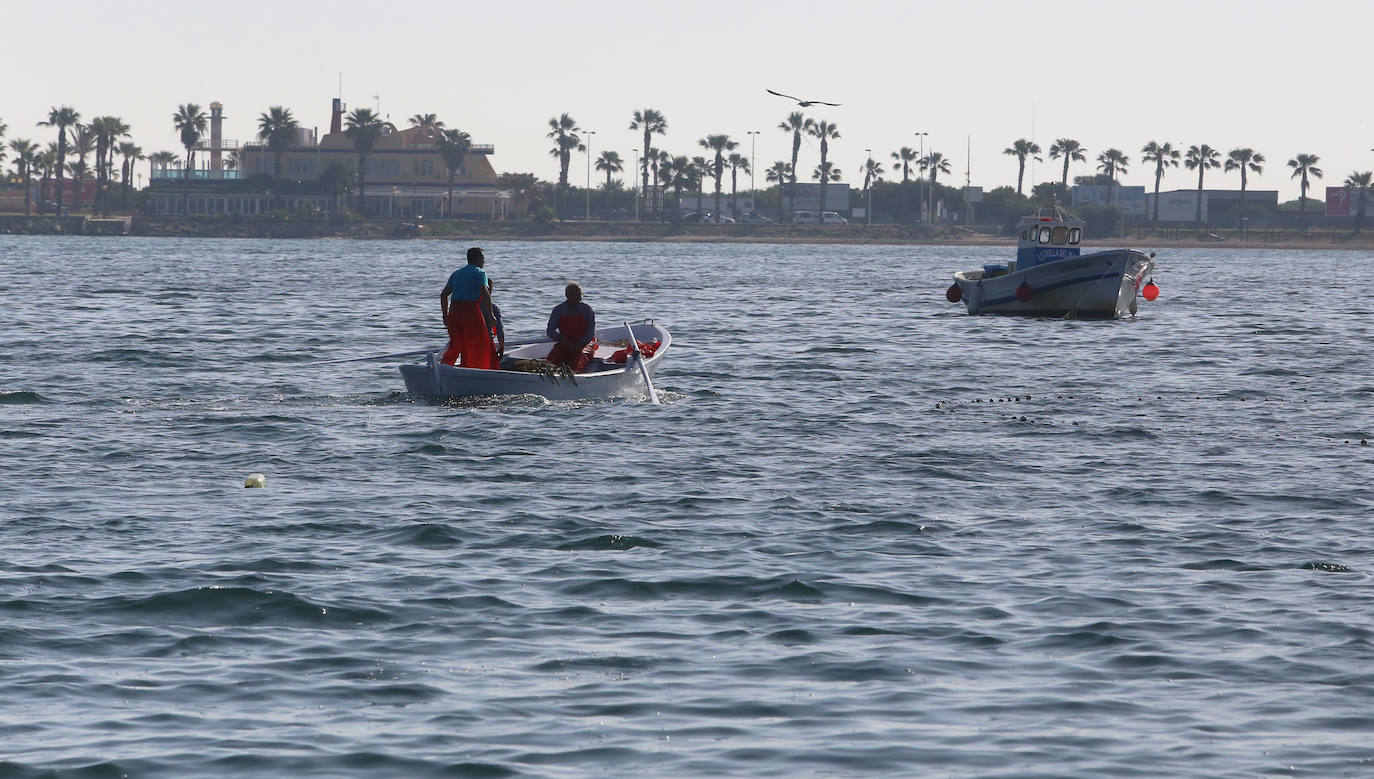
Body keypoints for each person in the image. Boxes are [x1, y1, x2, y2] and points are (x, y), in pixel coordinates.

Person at [439, 247, 495, 368]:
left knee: (457, 343)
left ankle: (445, 367)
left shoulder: (456, 273)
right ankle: (475, 368)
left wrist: (445, 315)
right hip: (470, 312)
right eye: (483, 259)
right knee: (478, 343)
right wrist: (491, 315)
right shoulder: (480, 273)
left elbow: (444, 295)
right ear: (478, 259)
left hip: (454, 311)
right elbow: (485, 293)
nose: (484, 262)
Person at [545, 282, 597, 373]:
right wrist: (562, 339)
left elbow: (590, 333)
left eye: (580, 294)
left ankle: (575, 375)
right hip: (566, 342)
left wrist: (579, 344)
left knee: (580, 357)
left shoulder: (587, 310)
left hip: (585, 344)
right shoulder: (558, 310)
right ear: (567, 295)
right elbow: (550, 331)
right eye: (576, 294)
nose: (579, 297)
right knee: (552, 358)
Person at [486, 279, 505, 366]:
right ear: (489, 291)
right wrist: (501, 347)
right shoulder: (494, 308)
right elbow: (499, 329)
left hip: (470, 344)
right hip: (487, 343)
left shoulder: (470, 307)